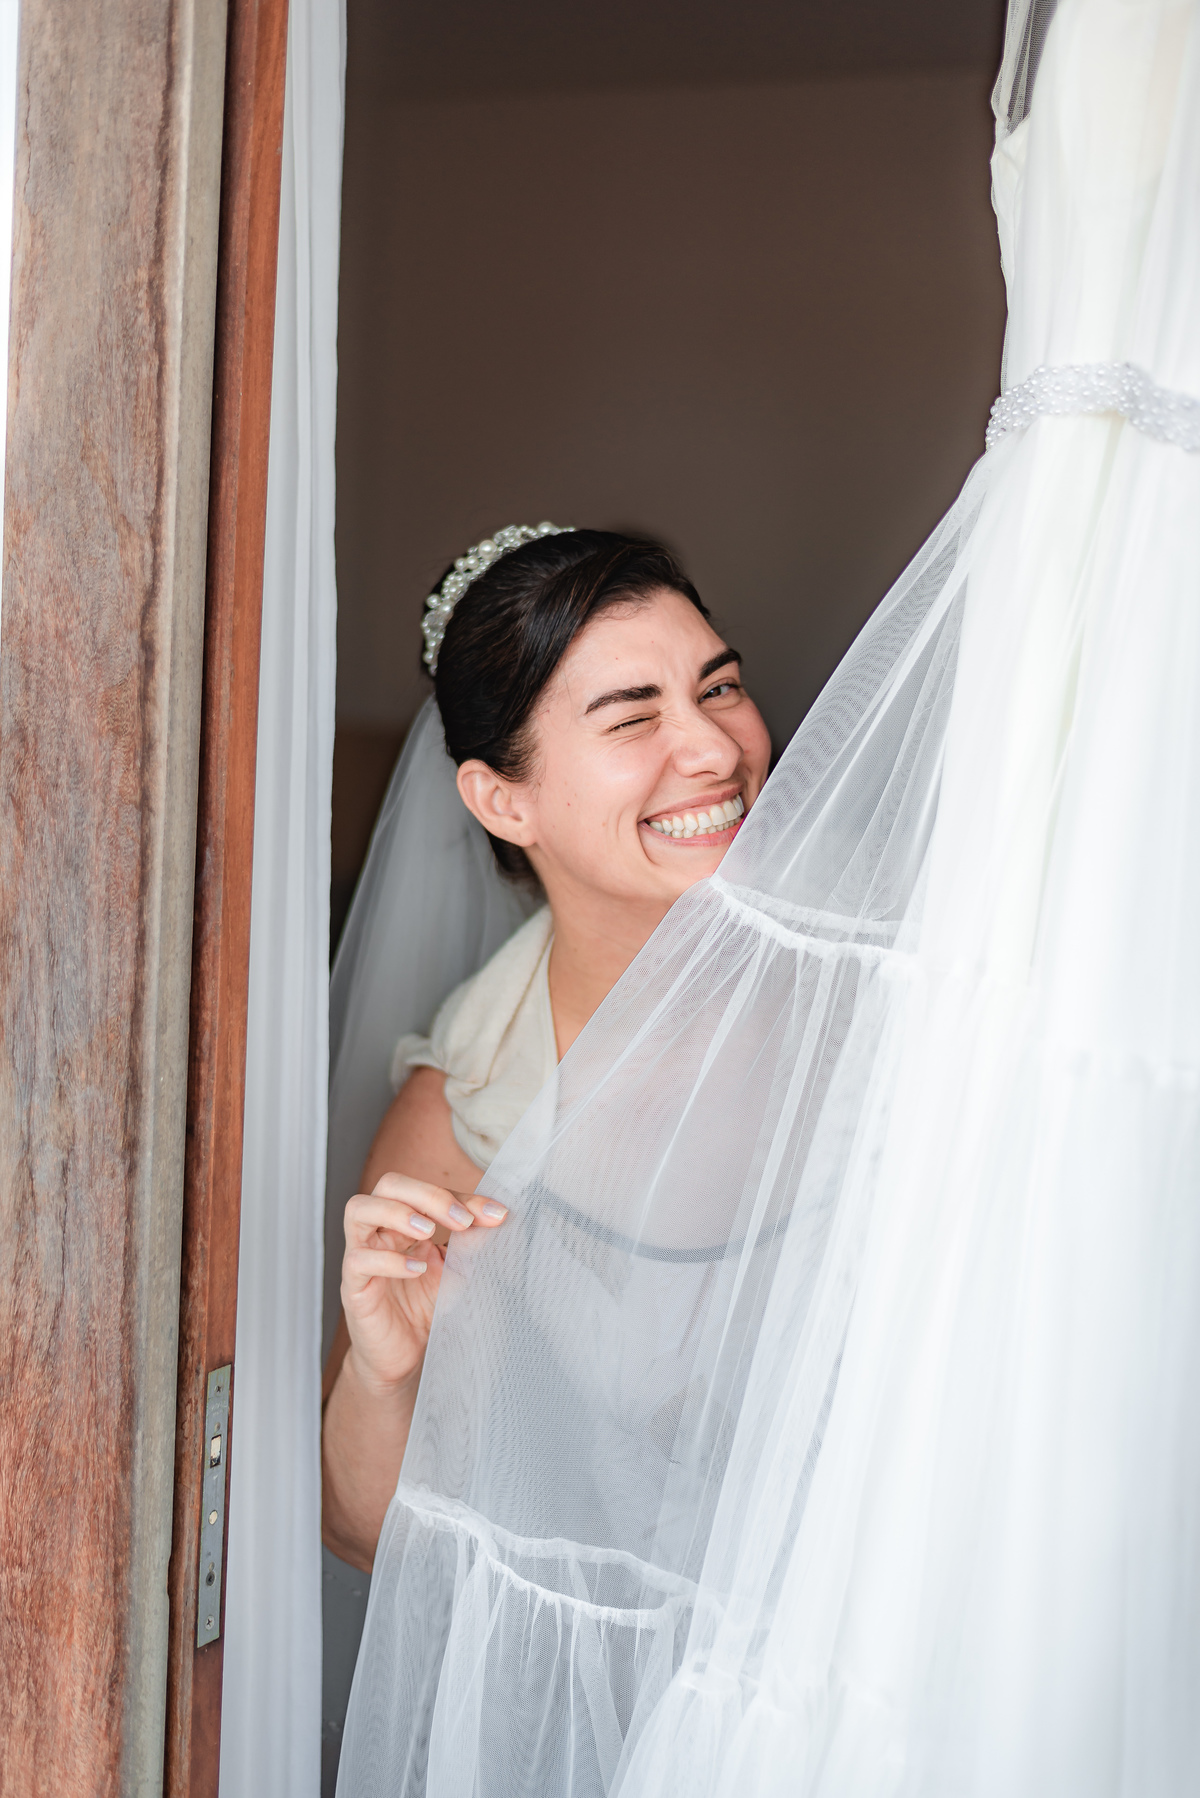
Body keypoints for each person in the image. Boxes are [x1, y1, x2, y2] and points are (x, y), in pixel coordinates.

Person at [320, 527, 771, 1570]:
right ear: (501, 800)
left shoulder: (884, 992)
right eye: (632, 716)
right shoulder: (467, 1109)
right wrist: (387, 1374)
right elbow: (359, 1533)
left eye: (720, 687)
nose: (713, 748)